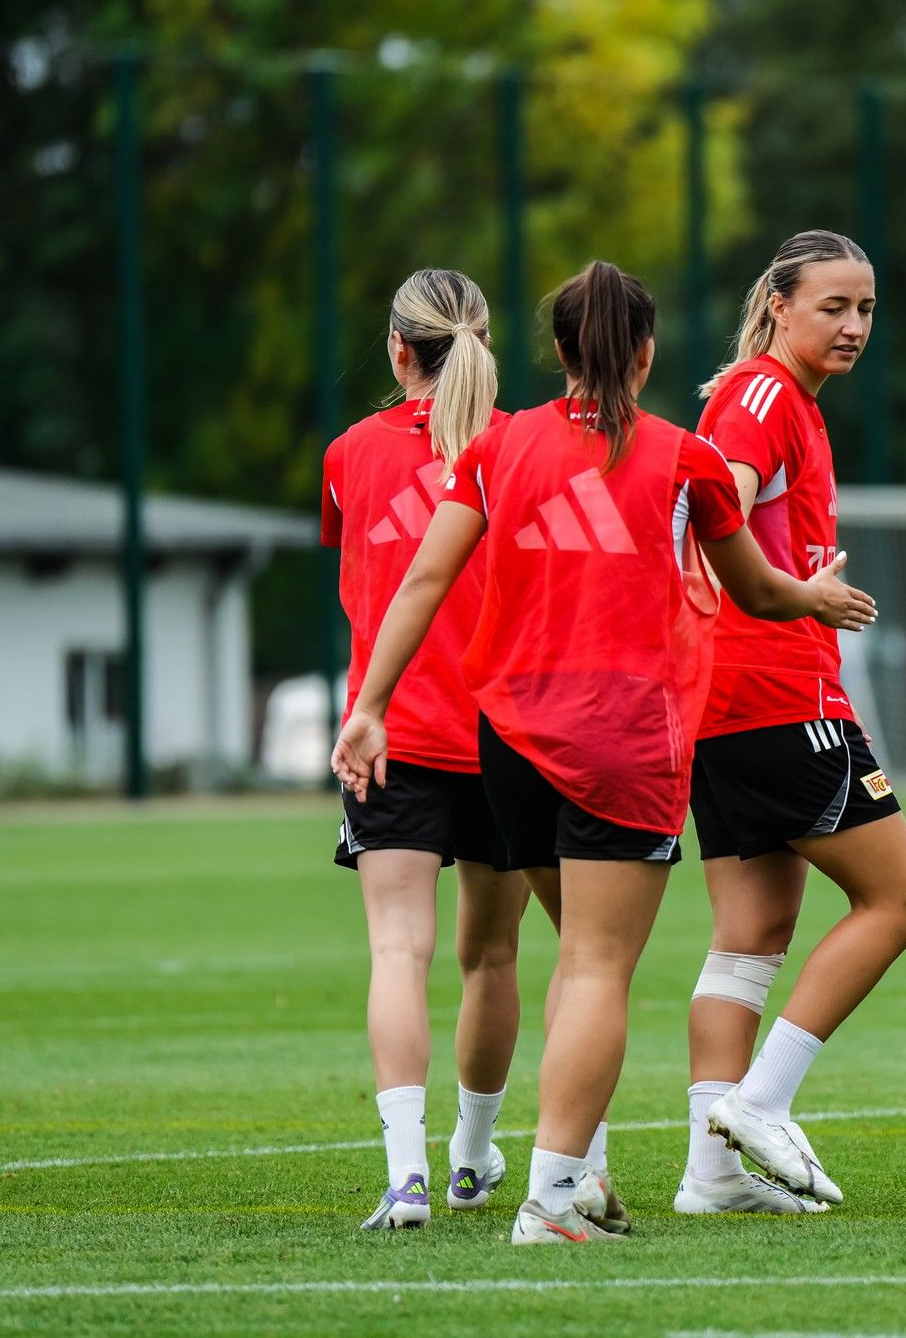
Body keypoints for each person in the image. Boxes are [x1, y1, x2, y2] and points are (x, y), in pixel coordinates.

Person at [333, 261, 877, 1245]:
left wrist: (369, 703)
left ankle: (572, 1173)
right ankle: (549, 1200)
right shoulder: (683, 456)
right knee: (593, 966)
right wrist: (818, 595)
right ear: (645, 351)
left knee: (563, 954)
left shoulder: (498, 447)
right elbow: (755, 590)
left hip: (507, 737)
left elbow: (420, 580)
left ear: (556, 350)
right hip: (623, 738)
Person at [677, 231, 906, 1213]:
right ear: (779, 303)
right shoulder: (761, 397)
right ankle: (764, 1101)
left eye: (865, 308)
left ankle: (712, 1175)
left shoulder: (783, 402)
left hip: (724, 705)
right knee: (898, 900)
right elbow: (714, 514)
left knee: (749, 934)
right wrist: (800, 595)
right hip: (777, 694)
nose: (854, 325)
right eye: (833, 306)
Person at [320, 270, 530, 1229]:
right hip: (506, 735)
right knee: (491, 957)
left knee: (396, 950)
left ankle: (405, 1177)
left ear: (397, 348)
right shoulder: (527, 448)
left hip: (392, 730)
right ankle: (475, 1157)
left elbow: (360, 574)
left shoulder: (347, 454)